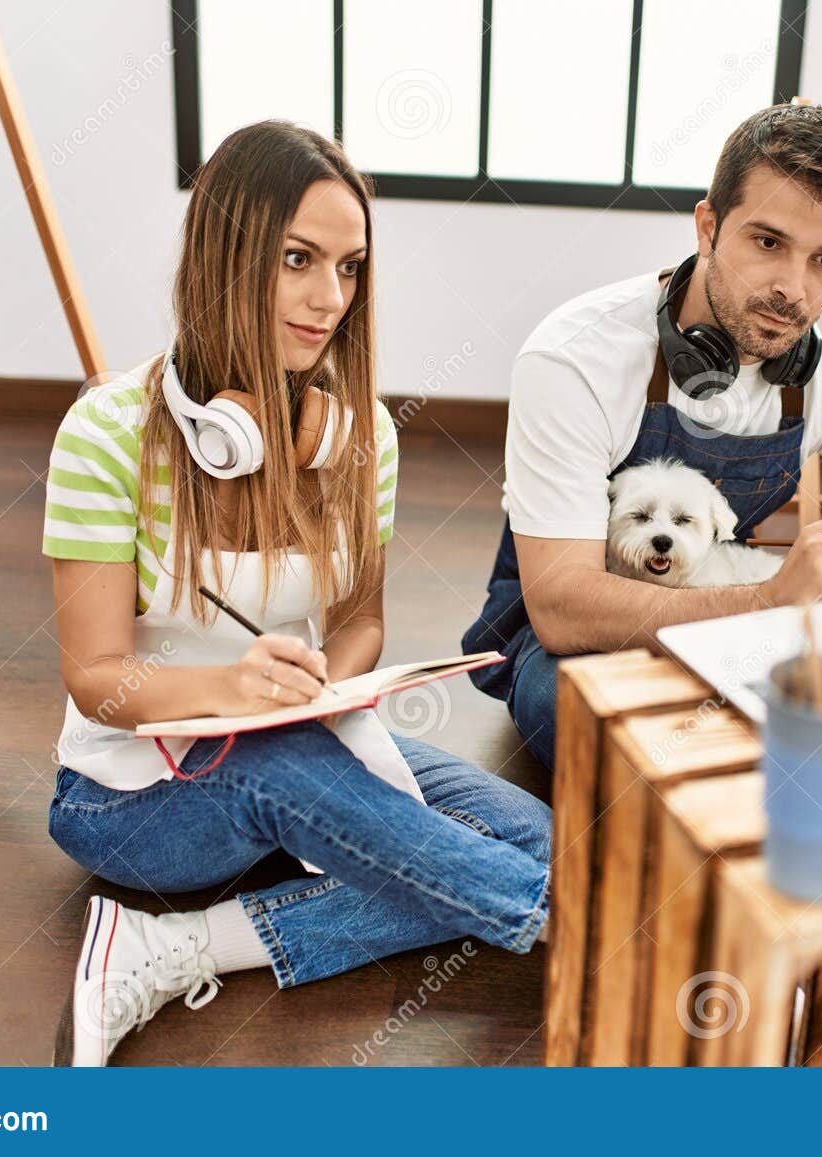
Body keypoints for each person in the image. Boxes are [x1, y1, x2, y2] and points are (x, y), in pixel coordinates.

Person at [42, 121, 549, 1067]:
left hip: (302, 737)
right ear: (226, 256)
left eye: (351, 268)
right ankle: (588, 924)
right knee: (284, 772)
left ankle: (170, 947)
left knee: (541, 839)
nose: (330, 300)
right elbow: (94, 676)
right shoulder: (104, 433)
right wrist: (236, 691)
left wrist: (327, 685)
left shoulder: (361, 442)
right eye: (297, 260)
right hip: (130, 794)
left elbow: (359, 621)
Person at [463, 103, 822, 770]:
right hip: (582, 634)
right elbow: (564, 608)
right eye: (767, 243)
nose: (793, 290)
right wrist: (766, 601)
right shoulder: (574, 357)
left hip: (738, 621)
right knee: (565, 707)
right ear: (708, 226)